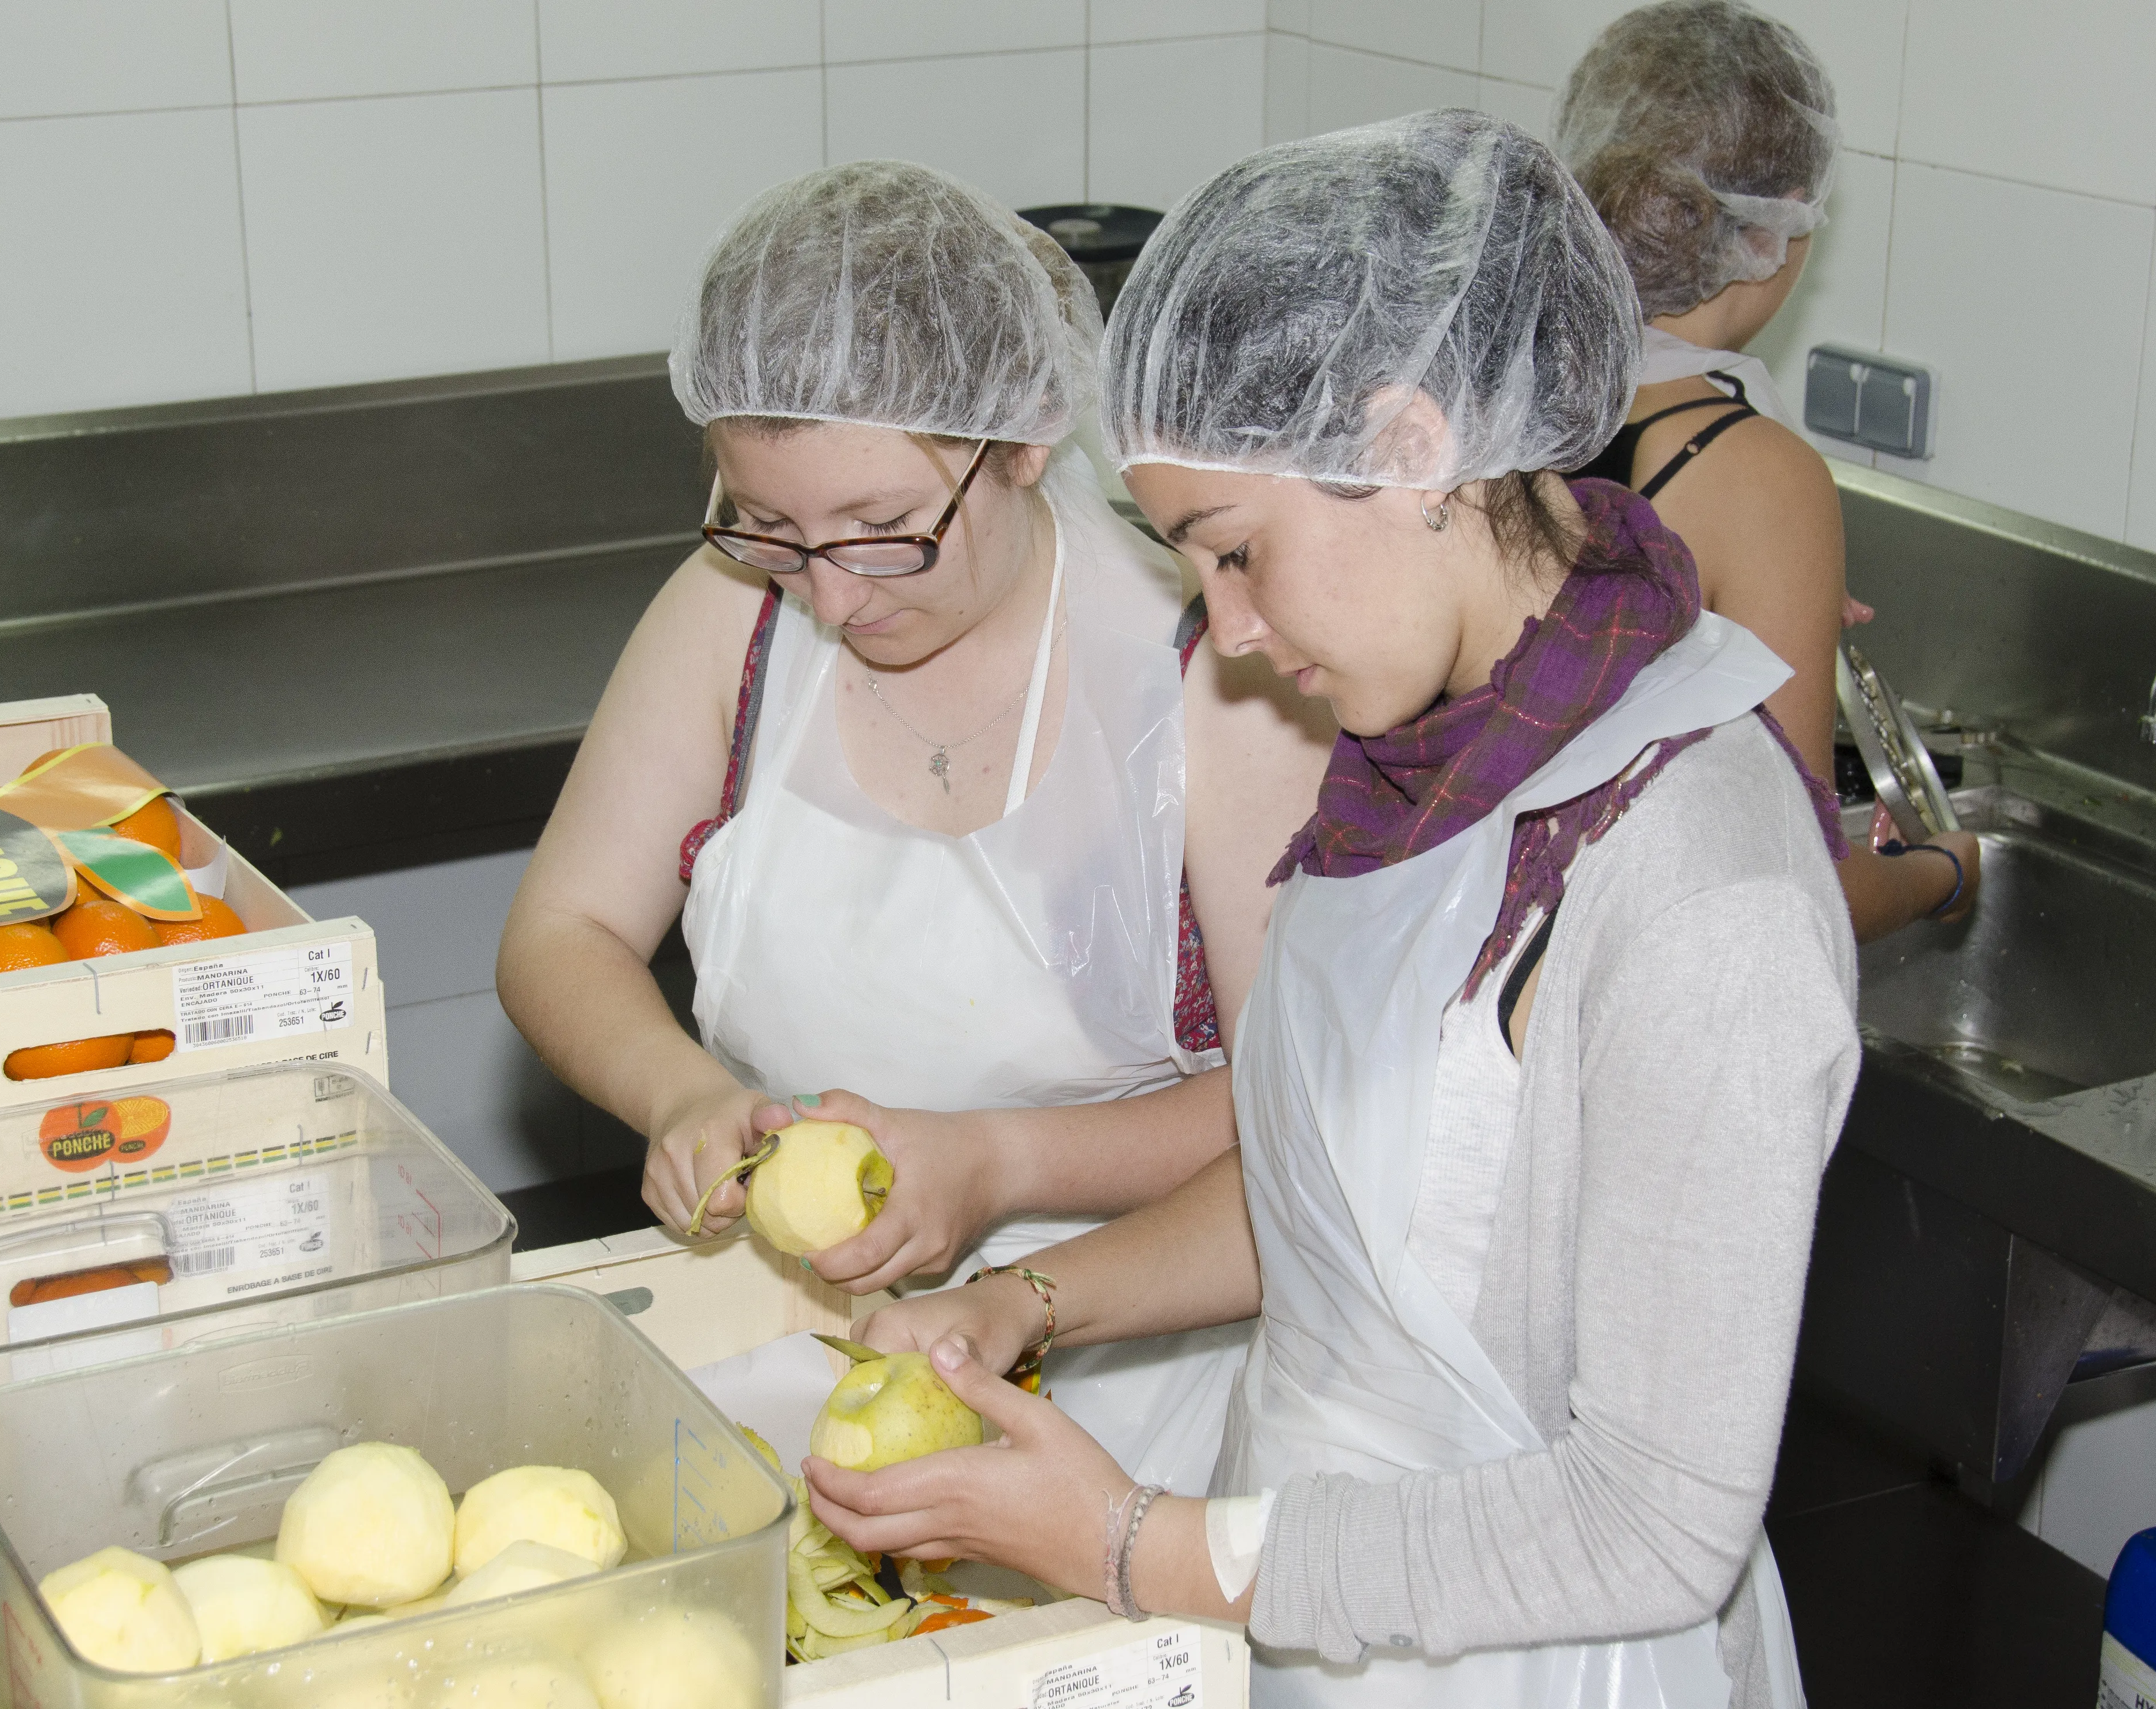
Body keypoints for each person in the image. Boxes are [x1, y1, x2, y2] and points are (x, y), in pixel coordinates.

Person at [802, 112, 1852, 1708]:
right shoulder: (1424, 763)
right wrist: (1024, 1297)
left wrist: (1133, 1544)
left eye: (1235, 553)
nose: (1227, 634)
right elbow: (1349, 1204)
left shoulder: (1703, 883)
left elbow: (1652, 1524)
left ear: (1413, 446)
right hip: (1313, 1626)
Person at [495, 162, 1331, 1496]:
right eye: (772, 525)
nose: (829, 598)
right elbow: (566, 928)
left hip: (1129, 1407)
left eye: (884, 532)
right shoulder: (734, 612)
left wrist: (996, 1165)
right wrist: (683, 1092)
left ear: (1021, 444)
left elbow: (1301, 1106)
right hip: (781, 1360)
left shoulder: (1209, 677)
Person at [1557, 0, 1979, 940]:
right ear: (1775, 235)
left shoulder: (1502, 388)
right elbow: (1788, 884)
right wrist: (1943, 878)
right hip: (1618, 996)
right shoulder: (1748, 470)